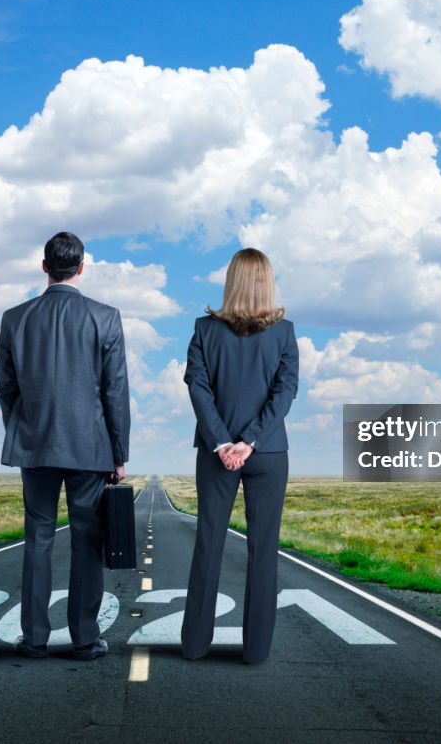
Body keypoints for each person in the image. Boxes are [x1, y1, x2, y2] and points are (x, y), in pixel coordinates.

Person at [0, 231, 129, 661]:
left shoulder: (15, 318)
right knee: (86, 540)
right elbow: (115, 392)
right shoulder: (105, 317)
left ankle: (34, 639)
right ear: (82, 267)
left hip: (34, 445)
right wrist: (119, 451)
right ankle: (85, 640)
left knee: (37, 538)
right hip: (89, 447)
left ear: (44, 266)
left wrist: (23, 430)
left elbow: (6, 387)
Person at [180, 247, 299, 664]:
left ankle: (194, 646)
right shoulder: (284, 332)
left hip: (217, 454)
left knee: (208, 544)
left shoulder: (203, 329)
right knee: (263, 550)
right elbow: (285, 392)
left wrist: (223, 442)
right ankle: (256, 652)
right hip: (269, 452)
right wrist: (250, 441)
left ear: (231, 280)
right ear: (268, 282)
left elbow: (198, 387)